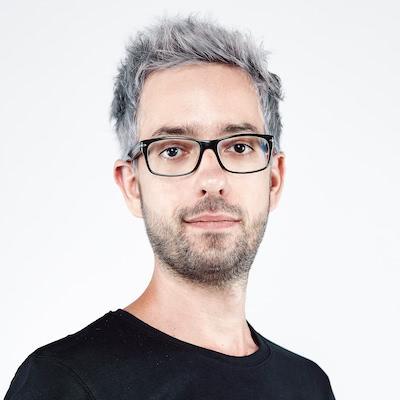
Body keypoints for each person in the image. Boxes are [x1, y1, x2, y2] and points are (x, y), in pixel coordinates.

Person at [5, 15, 336, 399]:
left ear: (274, 179)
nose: (211, 178)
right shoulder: (62, 382)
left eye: (239, 146)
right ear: (132, 186)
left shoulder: (308, 384)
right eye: (174, 150)